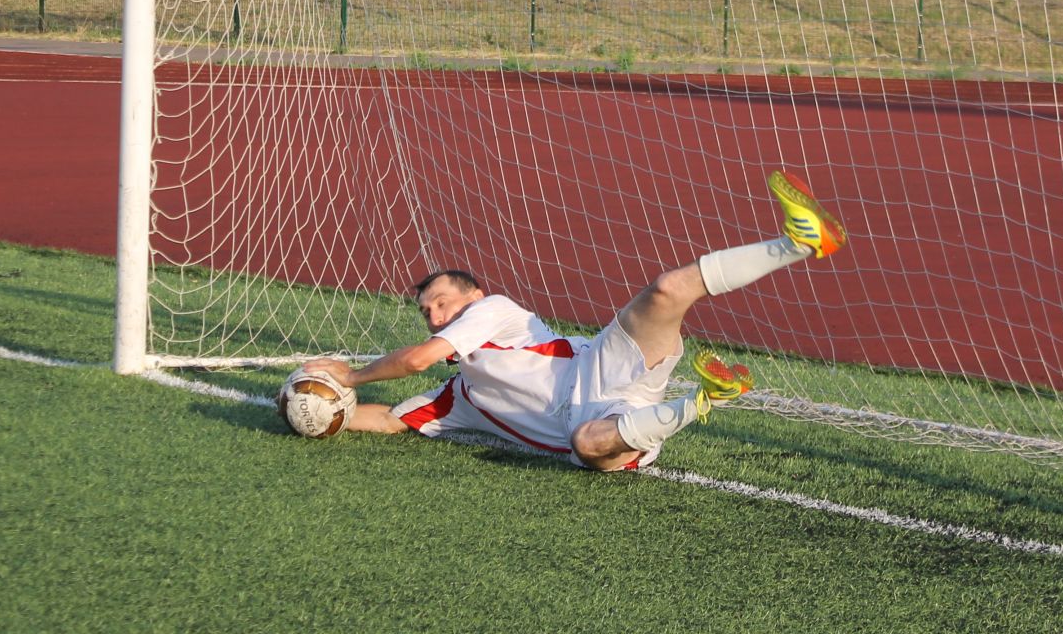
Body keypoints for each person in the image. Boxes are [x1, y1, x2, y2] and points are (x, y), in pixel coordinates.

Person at [299, 170, 846, 471]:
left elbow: (419, 359)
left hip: (599, 366)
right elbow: (392, 419)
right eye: (427, 311)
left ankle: (800, 242)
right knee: (587, 442)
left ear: (474, 296)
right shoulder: (458, 398)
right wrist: (318, 405)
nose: (435, 315)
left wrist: (349, 375)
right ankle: (705, 400)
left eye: (441, 302)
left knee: (666, 289)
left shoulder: (496, 312)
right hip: (605, 427)